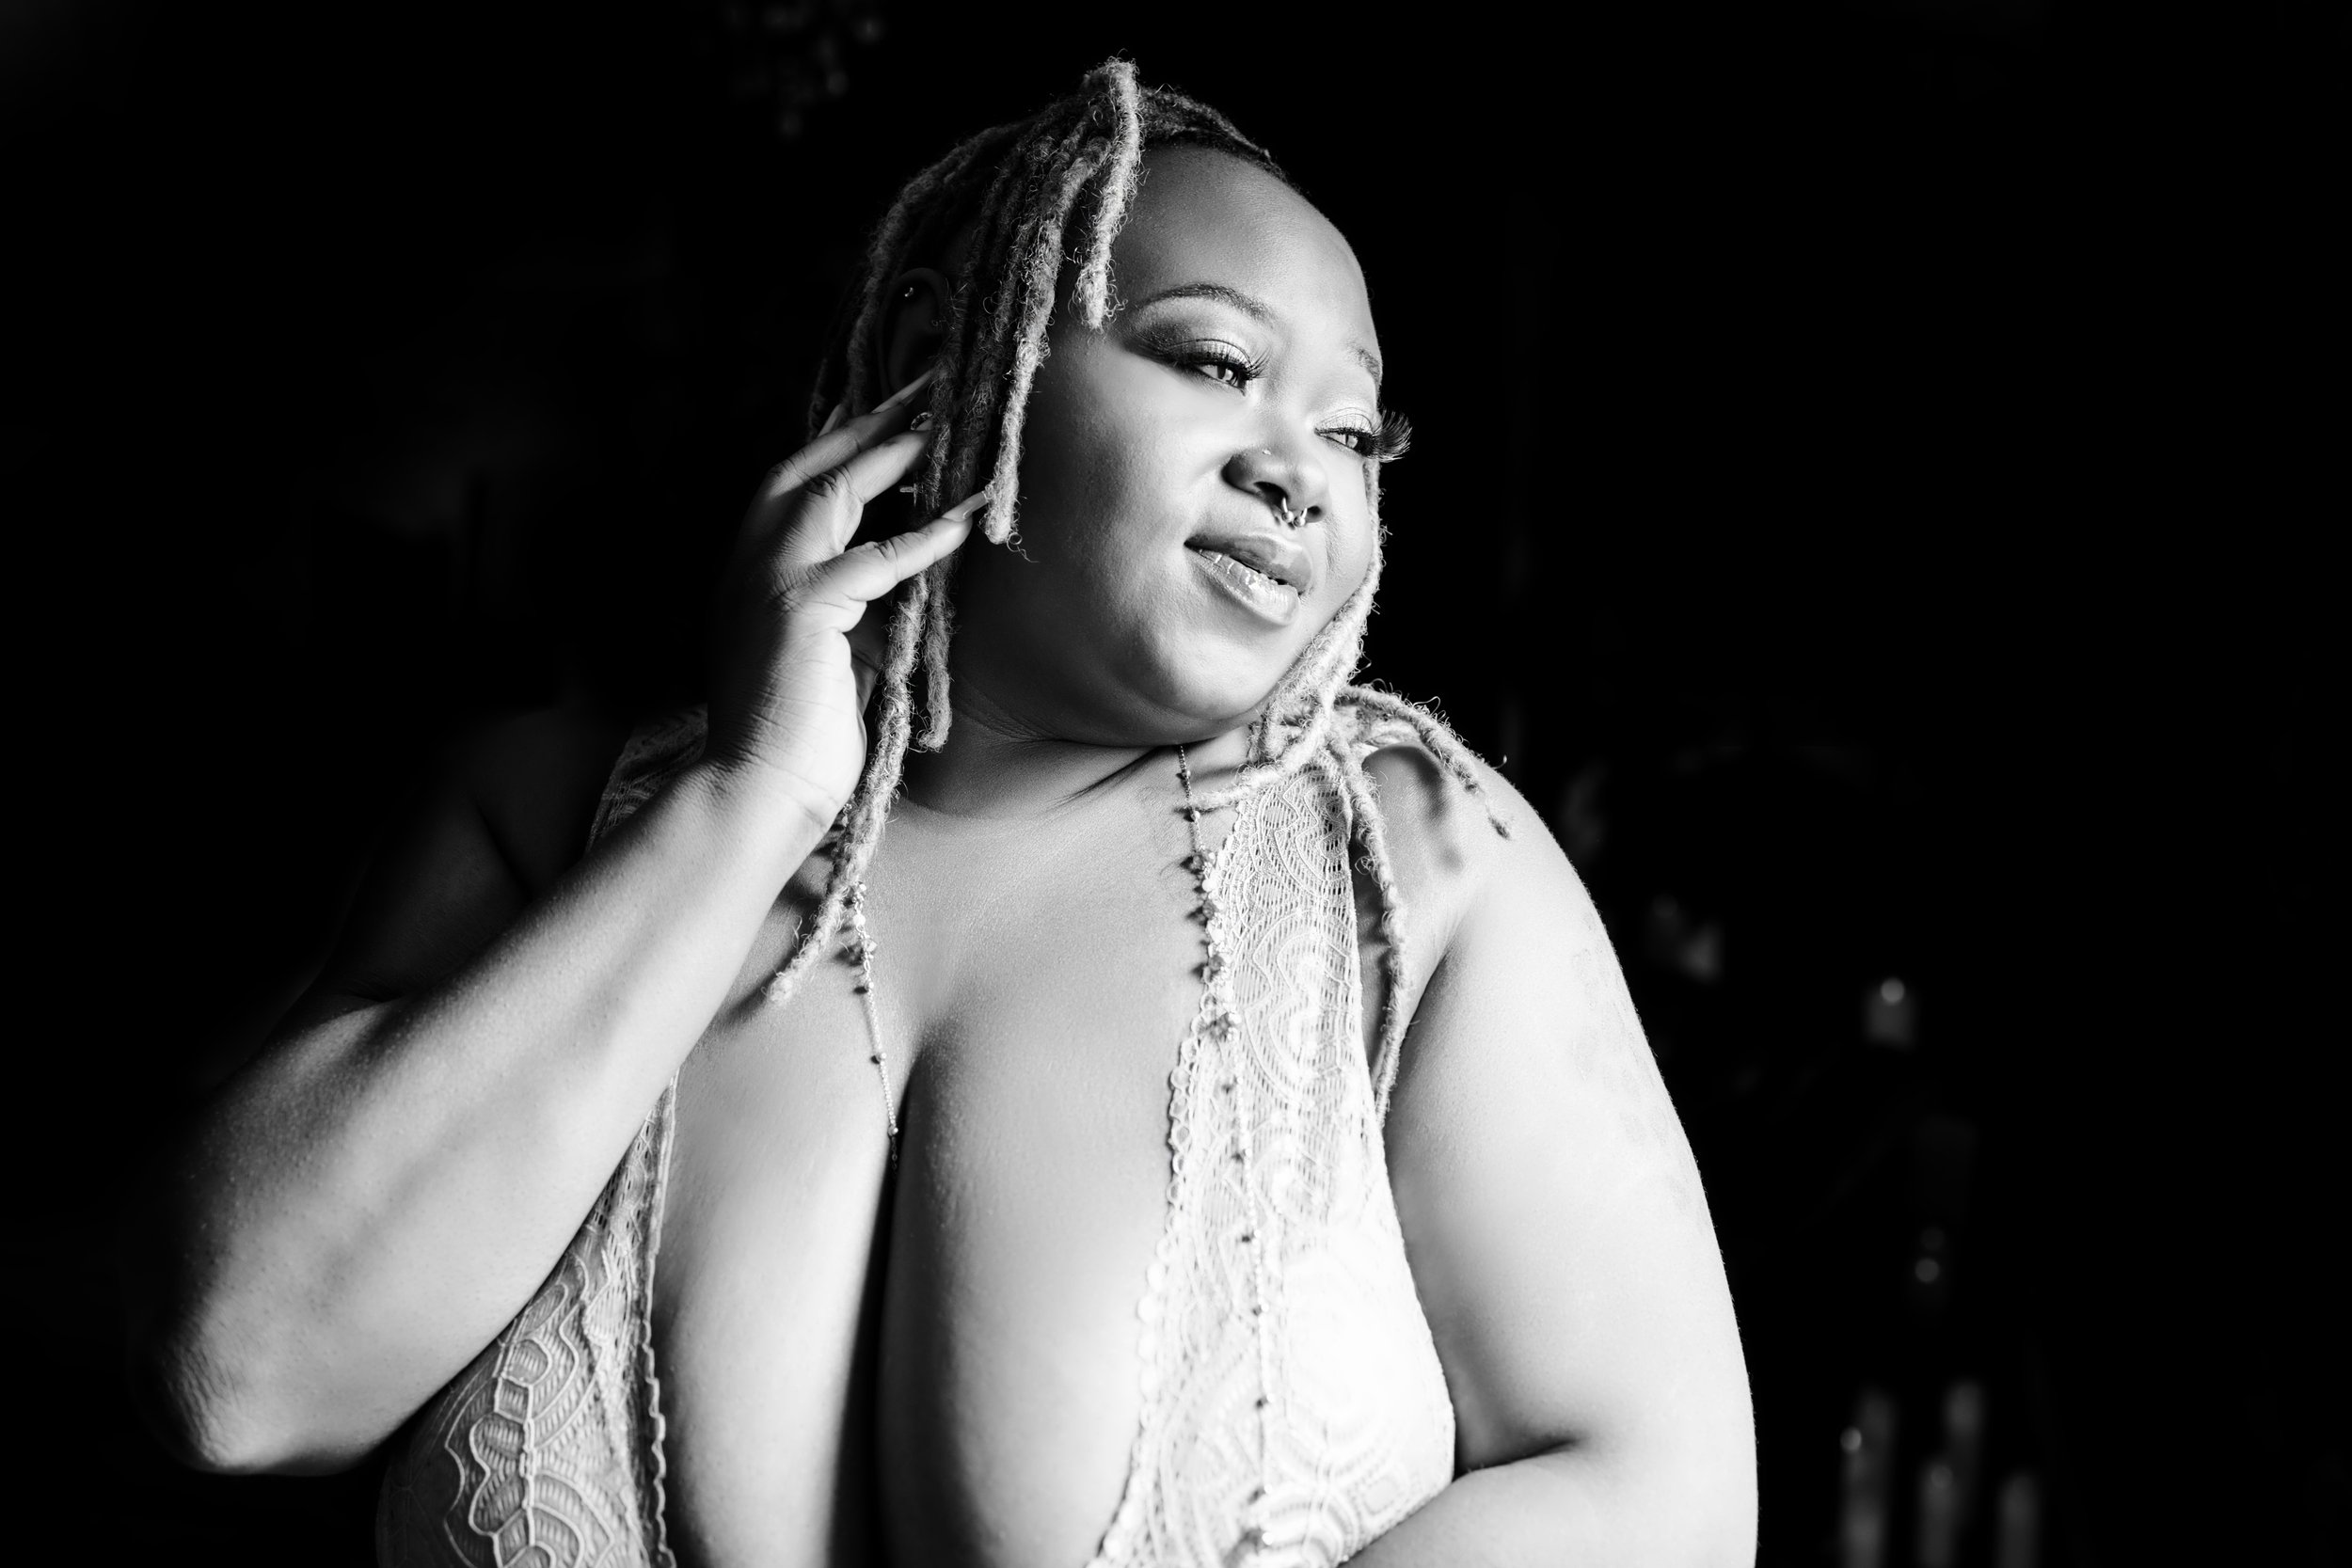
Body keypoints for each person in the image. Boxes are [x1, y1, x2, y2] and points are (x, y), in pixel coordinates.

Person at [123, 61, 1757, 1567]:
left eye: (1351, 431)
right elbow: (240, 1377)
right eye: (1214, 362)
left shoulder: (1418, 866)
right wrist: (747, 804)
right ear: (941, 357)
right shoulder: (555, 814)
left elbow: (1659, 1492)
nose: (1301, 473)